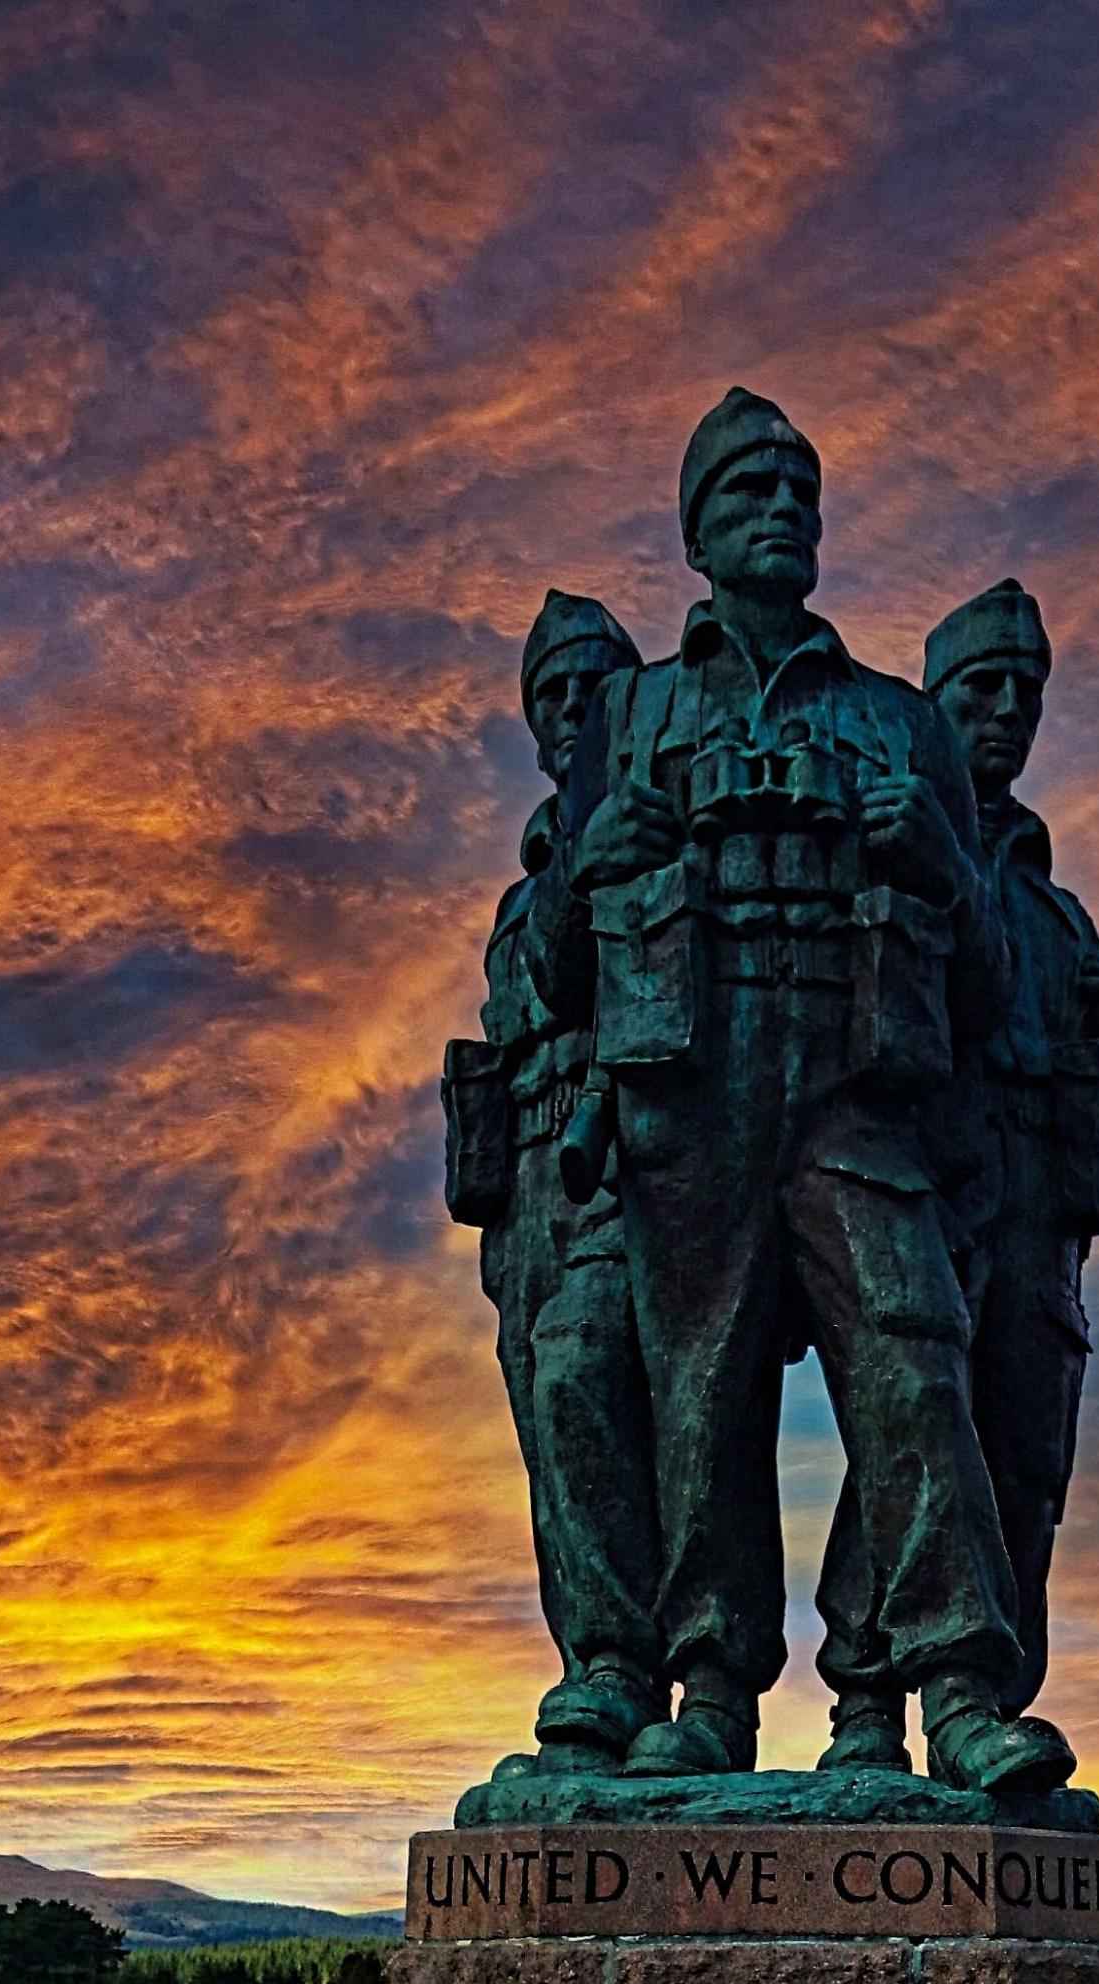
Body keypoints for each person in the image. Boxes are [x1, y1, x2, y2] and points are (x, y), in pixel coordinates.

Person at [528, 391, 1074, 1798]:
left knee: (914, 1358)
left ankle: (954, 1686)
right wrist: (596, 866)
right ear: (698, 531)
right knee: (698, 1396)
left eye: (800, 491)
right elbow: (552, 977)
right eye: (748, 490)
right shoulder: (634, 709)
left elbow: (999, 984)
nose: (781, 510)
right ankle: (707, 1691)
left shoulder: (901, 722)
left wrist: (946, 869)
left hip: (854, 1091)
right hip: (689, 1095)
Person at [816, 579, 1099, 1757]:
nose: (1007, 710)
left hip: (1039, 1223)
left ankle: (989, 1705)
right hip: (932, 1188)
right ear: (933, 704)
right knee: (907, 1428)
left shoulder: (1061, 919)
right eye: (979, 688)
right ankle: (865, 1699)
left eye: (1027, 690)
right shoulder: (887, 845)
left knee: (1023, 1460)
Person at [444, 588, 667, 1766]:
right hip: (522, 1178)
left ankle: (638, 1663)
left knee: (593, 1377)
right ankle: (596, 1670)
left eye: (593, 685)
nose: (574, 708)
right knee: (550, 1422)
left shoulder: (641, 839)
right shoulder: (527, 886)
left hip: (624, 1150)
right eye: (554, 693)